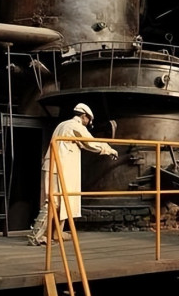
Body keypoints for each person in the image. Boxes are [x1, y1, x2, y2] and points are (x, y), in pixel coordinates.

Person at [28, 103, 118, 246]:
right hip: (59, 167)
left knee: (63, 200)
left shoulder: (63, 125)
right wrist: (109, 149)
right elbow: (90, 143)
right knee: (54, 202)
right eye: (89, 120)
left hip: (59, 165)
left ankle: (56, 233)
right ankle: (36, 236)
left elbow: (80, 143)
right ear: (84, 116)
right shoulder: (75, 126)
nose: (88, 123)